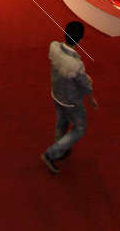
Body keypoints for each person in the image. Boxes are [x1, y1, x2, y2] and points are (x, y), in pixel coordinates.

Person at [41, 21, 98, 174]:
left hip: (56, 93)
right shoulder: (76, 64)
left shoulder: (53, 46)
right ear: (80, 40)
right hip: (71, 102)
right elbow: (84, 83)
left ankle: (61, 148)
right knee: (79, 128)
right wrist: (91, 97)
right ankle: (52, 153)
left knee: (61, 122)